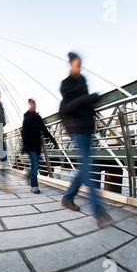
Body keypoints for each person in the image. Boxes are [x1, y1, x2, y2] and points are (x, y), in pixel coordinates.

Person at [59, 52, 113, 228]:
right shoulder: (66, 84)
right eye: (77, 64)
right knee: (90, 169)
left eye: (81, 64)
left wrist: (92, 101)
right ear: (71, 65)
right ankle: (100, 212)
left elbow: (85, 104)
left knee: (86, 167)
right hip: (77, 129)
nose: (79, 67)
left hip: (87, 128)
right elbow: (67, 107)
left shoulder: (83, 81)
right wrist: (87, 99)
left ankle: (68, 197)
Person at [22, 98, 57, 194]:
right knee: (36, 165)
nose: (33, 105)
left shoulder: (38, 117)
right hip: (30, 145)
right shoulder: (27, 115)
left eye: (34, 104)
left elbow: (45, 130)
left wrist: (53, 141)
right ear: (29, 105)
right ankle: (34, 186)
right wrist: (24, 146)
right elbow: (24, 131)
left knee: (35, 164)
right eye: (31, 104)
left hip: (37, 145)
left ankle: (29, 173)